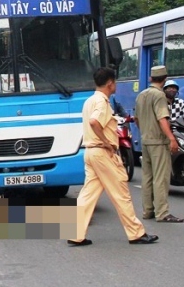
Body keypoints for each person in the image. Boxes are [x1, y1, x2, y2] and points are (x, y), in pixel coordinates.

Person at [67, 67, 158, 246]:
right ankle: (136, 233)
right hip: (102, 152)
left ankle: (76, 234)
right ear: (110, 83)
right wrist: (107, 142)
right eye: (115, 82)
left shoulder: (89, 101)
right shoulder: (102, 102)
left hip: (90, 152)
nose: (115, 85)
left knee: (87, 195)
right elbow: (95, 122)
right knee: (121, 192)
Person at [135, 65, 184, 223]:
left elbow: (136, 118)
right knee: (161, 178)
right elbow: (162, 118)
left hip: (145, 140)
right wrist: (171, 138)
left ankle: (147, 210)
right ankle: (162, 213)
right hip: (158, 142)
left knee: (147, 177)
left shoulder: (141, 95)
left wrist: (145, 131)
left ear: (151, 78)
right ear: (164, 79)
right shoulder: (160, 96)